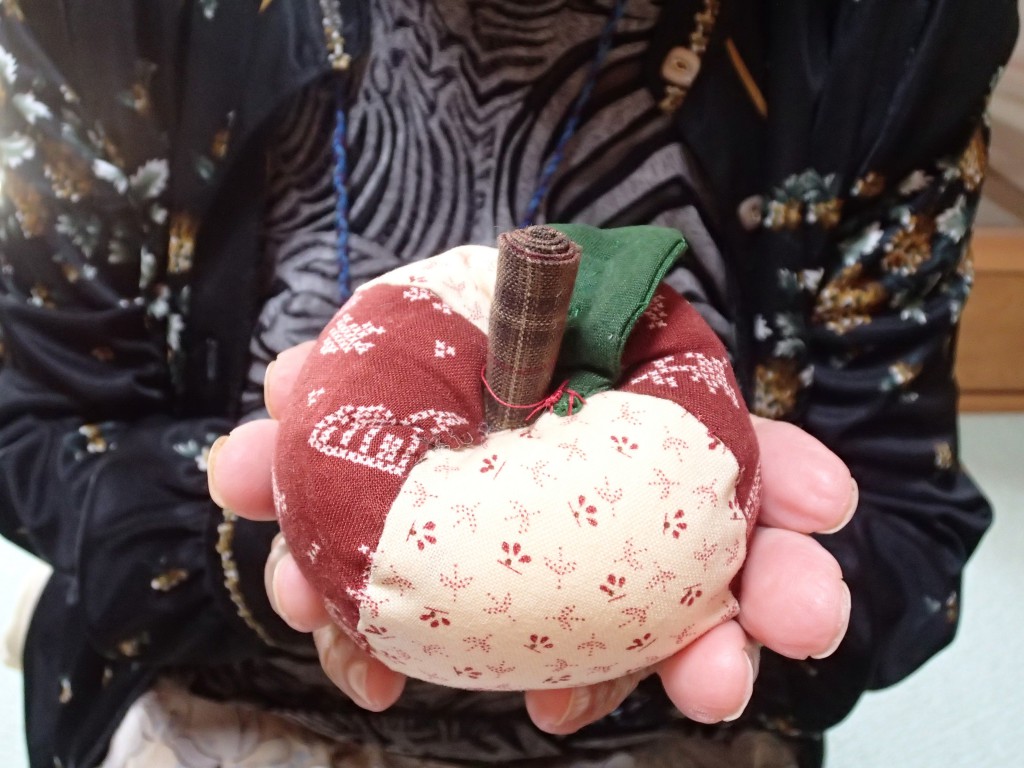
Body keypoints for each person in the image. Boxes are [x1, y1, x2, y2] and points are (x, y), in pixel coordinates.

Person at [0, 1, 1015, 766]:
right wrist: (266, 530)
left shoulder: (885, 31)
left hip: (661, 735)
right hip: (212, 697)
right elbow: (34, 432)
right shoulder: (108, 18)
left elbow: (903, 521)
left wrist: (689, 586)